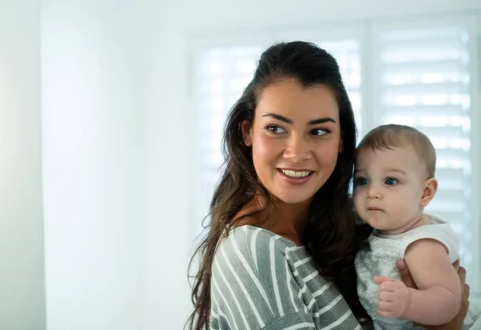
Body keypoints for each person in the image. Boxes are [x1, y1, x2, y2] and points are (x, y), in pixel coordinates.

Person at [187, 41, 469, 330]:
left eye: (319, 131)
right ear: (247, 131)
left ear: (342, 139)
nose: (296, 153)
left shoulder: (356, 220)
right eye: (276, 129)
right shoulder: (252, 252)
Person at [353, 124, 481, 329]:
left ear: (425, 193)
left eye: (391, 181)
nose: (372, 192)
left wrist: (409, 302)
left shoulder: (420, 244)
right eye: (362, 180)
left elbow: (449, 301)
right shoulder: (384, 230)